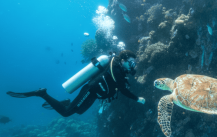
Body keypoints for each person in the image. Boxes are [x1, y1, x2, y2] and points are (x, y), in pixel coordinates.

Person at [7, 50, 145, 117]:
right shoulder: (115, 66)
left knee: (78, 110)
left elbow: (116, 84)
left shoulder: (119, 69)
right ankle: (43, 93)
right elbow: (122, 88)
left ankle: (67, 101)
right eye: (131, 62)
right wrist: (137, 99)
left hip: (95, 94)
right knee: (66, 113)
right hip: (91, 90)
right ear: (124, 60)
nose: (133, 66)